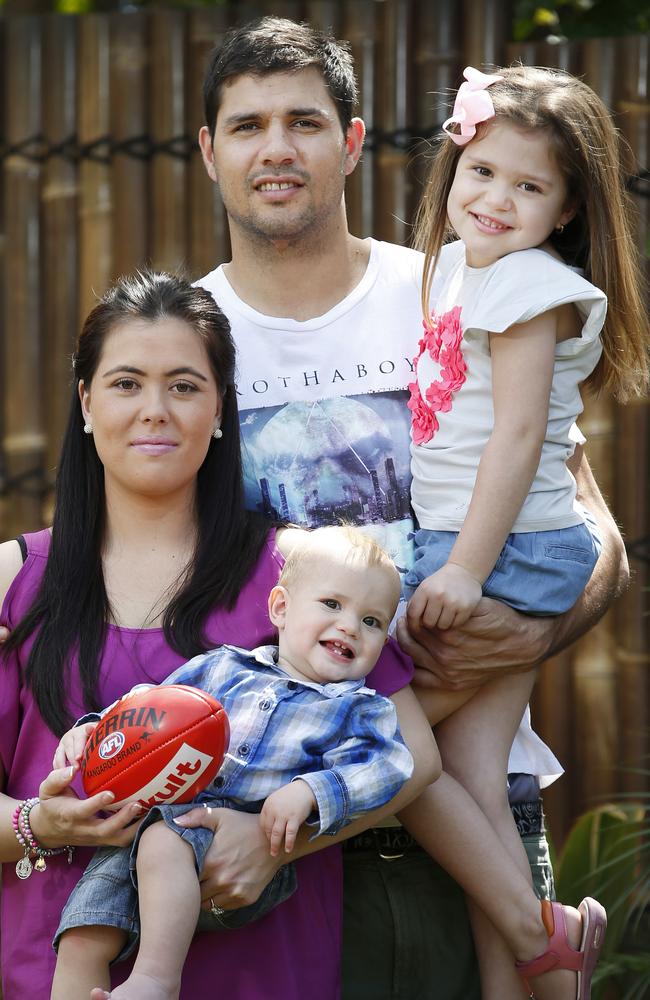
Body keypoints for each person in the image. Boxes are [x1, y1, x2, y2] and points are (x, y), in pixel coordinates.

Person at [190, 17, 630, 1000]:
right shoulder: (183, 337)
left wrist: (531, 626)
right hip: (284, 828)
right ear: (208, 149)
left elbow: (583, 524)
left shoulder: (456, 279)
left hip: (473, 805)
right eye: (247, 124)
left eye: (303, 121)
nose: (276, 148)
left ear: (350, 142)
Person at [0, 271, 436, 999]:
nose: (155, 411)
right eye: (126, 383)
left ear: (222, 410)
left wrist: (273, 838)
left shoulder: (303, 570)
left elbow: (414, 757)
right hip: (53, 972)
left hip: (260, 970)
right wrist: (45, 823)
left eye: (184, 386)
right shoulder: (14, 579)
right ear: (85, 402)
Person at [400, 64, 648, 997]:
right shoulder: (465, 266)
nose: (496, 198)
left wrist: (463, 571)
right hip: (486, 545)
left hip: (505, 553)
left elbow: (515, 438)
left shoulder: (531, 287)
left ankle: (532, 934)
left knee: (379, 740)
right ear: (452, 170)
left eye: (529, 185)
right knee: (472, 768)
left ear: (568, 209)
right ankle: (534, 965)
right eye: (482, 172)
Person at [51, 526, 414, 1000]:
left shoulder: (359, 709)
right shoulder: (222, 667)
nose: (350, 626)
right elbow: (152, 707)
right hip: (150, 825)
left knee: (164, 840)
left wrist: (311, 791)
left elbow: (388, 766)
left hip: (240, 843)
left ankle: (155, 981)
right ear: (281, 608)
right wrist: (96, 729)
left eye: (372, 622)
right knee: (82, 932)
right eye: (331, 604)